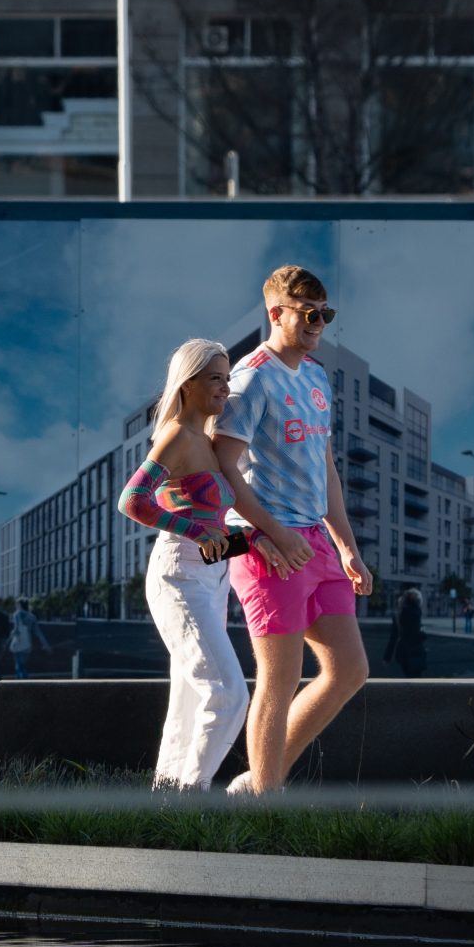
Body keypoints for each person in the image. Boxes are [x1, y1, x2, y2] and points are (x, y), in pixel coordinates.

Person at [213, 264, 374, 793]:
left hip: (316, 544)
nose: (318, 323)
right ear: (276, 313)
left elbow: (322, 466)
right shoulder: (251, 378)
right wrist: (273, 535)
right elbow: (223, 470)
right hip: (266, 546)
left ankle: (261, 781)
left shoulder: (315, 376)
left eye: (325, 314)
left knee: (348, 669)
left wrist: (345, 546)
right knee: (279, 681)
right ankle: (265, 801)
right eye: (308, 313)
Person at [117, 338, 282, 789]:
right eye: (215, 378)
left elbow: (211, 528)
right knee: (228, 693)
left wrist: (249, 539)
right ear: (187, 384)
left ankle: (166, 802)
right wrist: (195, 531)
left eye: (228, 379)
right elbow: (131, 500)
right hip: (178, 573)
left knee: (191, 698)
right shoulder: (176, 435)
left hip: (210, 577)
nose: (225, 388)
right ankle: (190, 800)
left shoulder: (207, 443)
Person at [382, 586, 427, 679]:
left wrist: (387, 657)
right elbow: (415, 635)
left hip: (403, 652)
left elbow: (393, 637)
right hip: (415, 653)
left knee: (409, 679)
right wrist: (424, 634)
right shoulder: (415, 613)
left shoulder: (399, 613)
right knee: (417, 681)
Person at [8, 599, 41, 679]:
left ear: (19, 605)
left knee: (19, 665)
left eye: (17, 604)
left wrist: (10, 637)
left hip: (18, 643)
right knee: (22, 665)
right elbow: (38, 632)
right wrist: (45, 644)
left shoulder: (17, 614)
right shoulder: (32, 616)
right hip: (27, 644)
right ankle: (24, 682)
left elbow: (16, 629)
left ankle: (20, 684)